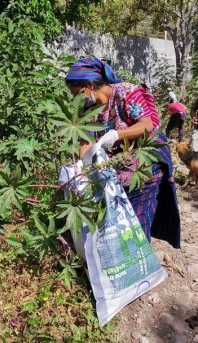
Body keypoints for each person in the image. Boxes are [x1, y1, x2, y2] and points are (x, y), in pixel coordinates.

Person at [65, 57, 181, 249]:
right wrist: (80, 167)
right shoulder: (90, 110)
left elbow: (147, 124)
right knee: (119, 225)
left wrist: (117, 134)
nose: (75, 99)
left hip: (144, 170)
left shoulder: (127, 92)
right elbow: (86, 140)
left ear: (87, 87)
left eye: (76, 93)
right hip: (115, 172)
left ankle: (140, 272)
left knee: (137, 223)